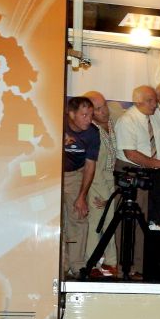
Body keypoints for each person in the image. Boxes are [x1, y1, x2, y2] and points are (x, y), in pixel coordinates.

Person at [114, 84, 160, 276]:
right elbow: (131, 154)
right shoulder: (126, 120)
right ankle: (126, 268)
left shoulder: (156, 117)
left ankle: (143, 265)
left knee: (148, 220)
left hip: (153, 173)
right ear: (138, 101)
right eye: (150, 100)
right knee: (129, 222)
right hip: (131, 172)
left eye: (155, 100)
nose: (155, 104)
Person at [62, 96, 100, 278]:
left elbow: (90, 165)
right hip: (52, 174)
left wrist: (82, 196)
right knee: (56, 220)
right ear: (71, 114)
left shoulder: (92, 133)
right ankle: (60, 265)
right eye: (84, 115)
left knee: (78, 216)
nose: (89, 119)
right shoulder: (58, 123)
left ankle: (77, 266)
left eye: (91, 115)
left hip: (76, 174)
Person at [82, 90, 119, 277]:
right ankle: (92, 264)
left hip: (111, 180)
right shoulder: (91, 131)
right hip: (97, 181)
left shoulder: (113, 122)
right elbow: (93, 166)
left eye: (104, 105)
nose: (103, 111)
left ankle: (111, 263)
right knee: (96, 224)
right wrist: (105, 193)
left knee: (109, 224)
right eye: (97, 109)